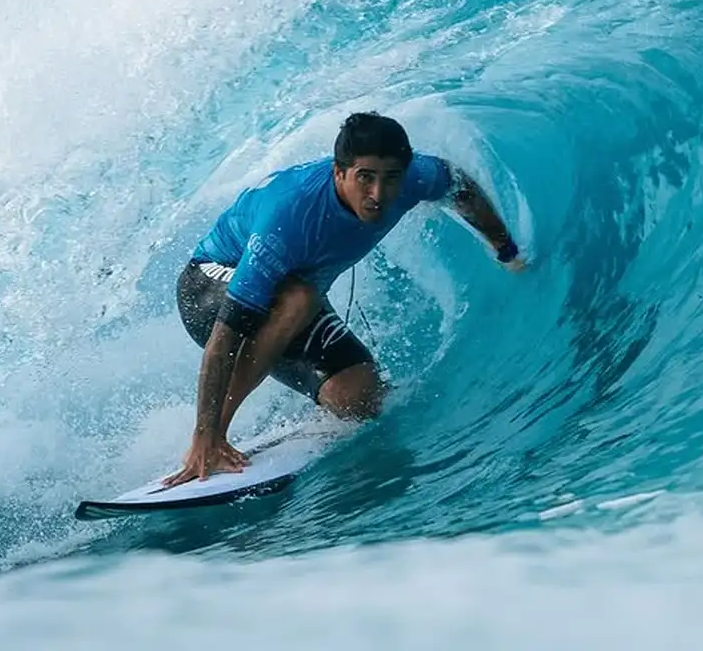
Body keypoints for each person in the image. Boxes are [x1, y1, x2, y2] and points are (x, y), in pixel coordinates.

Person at [163, 111, 525, 486]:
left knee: (362, 399)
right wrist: (208, 434)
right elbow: (224, 340)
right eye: (364, 178)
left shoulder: (417, 175)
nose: (378, 195)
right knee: (300, 297)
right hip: (208, 287)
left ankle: (313, 411)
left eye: (391, 179)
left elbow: (460, 188)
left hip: (290, 296)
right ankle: (210, 443)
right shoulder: (289, 216)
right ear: (340, 173)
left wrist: (505, 248)